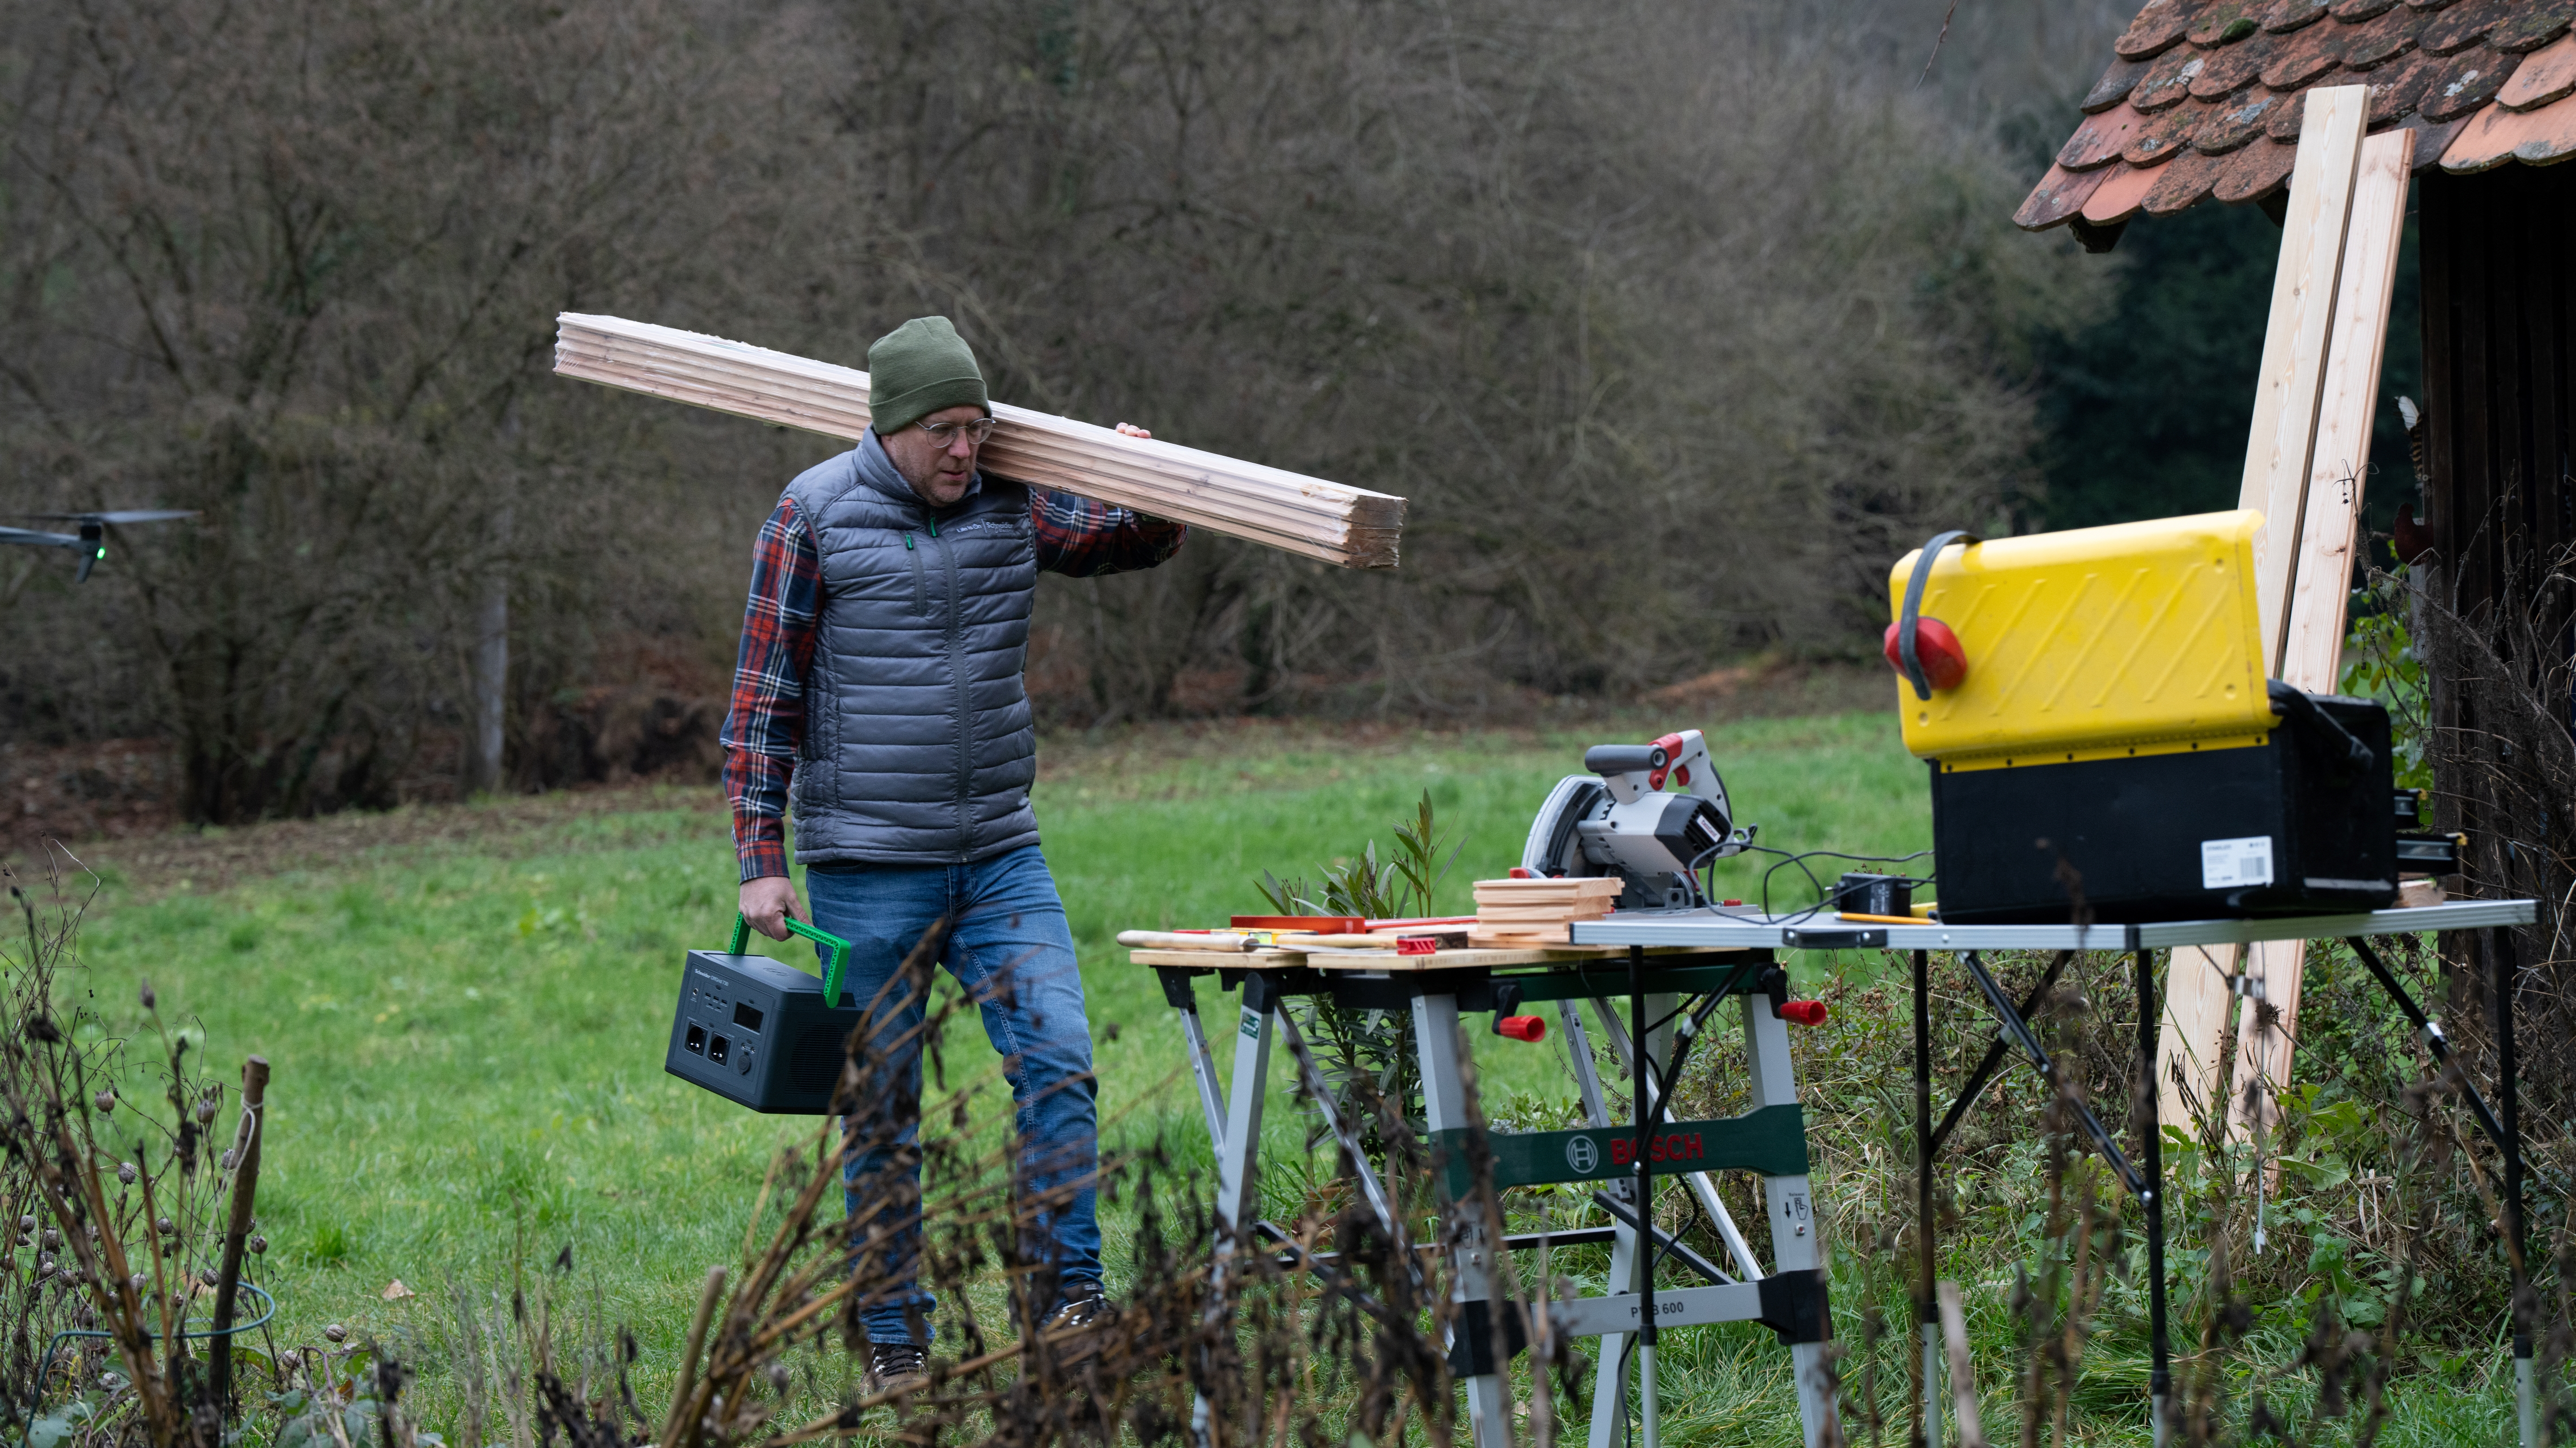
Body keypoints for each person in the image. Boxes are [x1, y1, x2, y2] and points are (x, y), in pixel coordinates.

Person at [720, 316, 1185, 1392]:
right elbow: (760, 701)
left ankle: (1069, 1300)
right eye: (943, 431)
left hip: (999, 861)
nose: (964, 451)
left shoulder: (1010, 500)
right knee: (882, 1105)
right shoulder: (812, 516)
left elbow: (1123, 538)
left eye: (976, 428)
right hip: (864, 868)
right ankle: (894, 1330)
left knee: (1060, 1062)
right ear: (889, 428)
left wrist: (1145, 480)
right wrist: (760, 854)